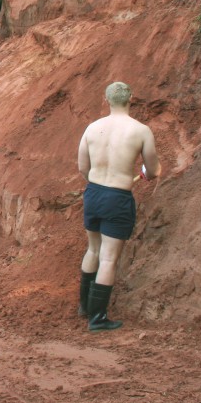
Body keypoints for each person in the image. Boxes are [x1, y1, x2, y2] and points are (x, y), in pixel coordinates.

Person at [76, 82, 161, 332]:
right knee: (109, 258)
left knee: (93, 250)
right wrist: (146, 173)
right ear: (130, 99)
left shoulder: (92, 128)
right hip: (117, 197)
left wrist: (97, 185)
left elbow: (83, 168)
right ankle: (98, 318)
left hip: (93, 193)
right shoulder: (141, 130)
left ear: (107, 100)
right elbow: (154, 170)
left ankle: (84, 306)